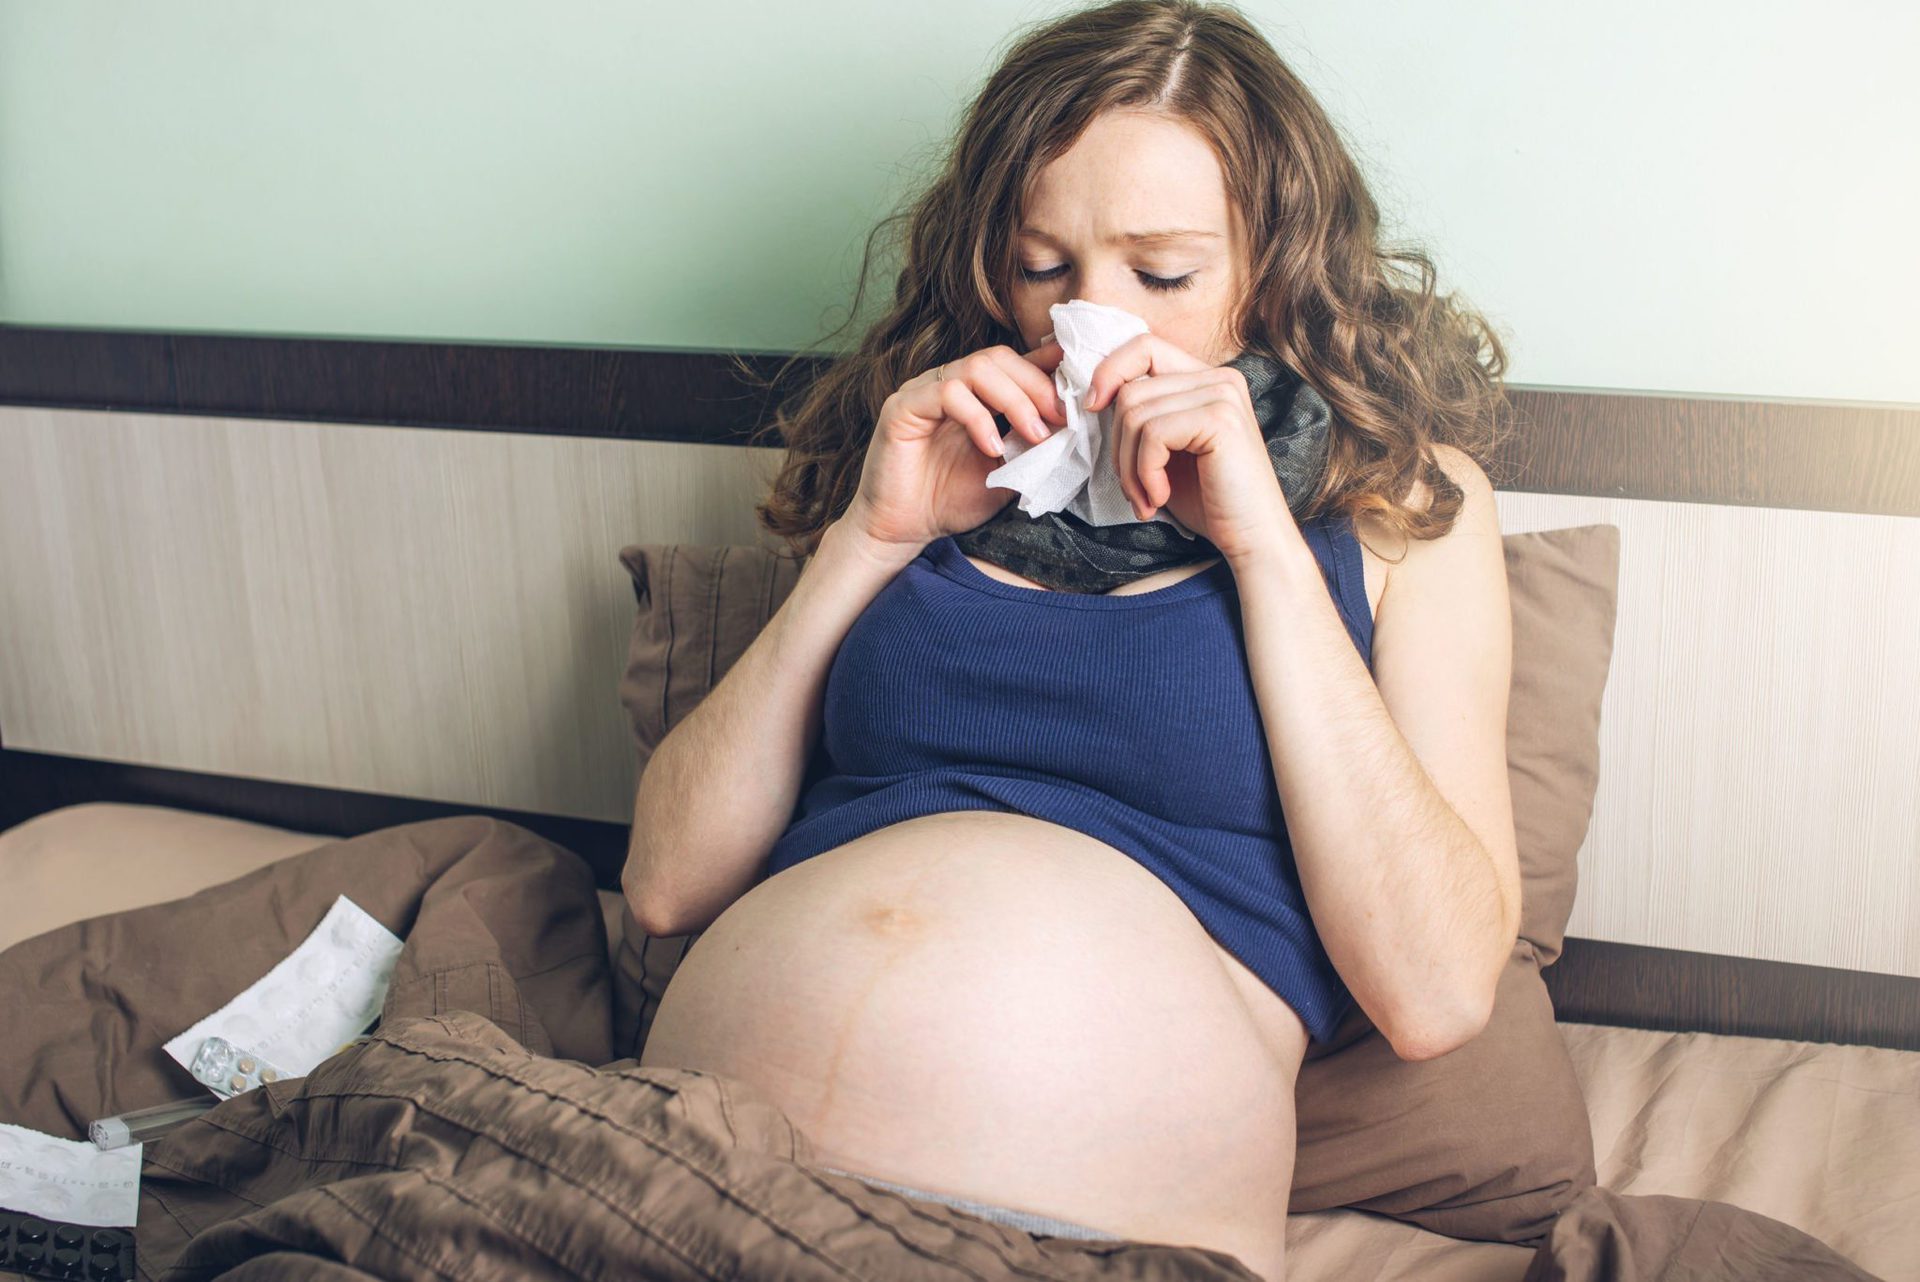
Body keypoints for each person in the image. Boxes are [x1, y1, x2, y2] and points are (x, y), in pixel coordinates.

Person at [625, 2, 1521, 1277]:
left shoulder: (1400, 509)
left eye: (1161, 276)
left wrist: (1261, 544)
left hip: (1078, 1236)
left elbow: (1434, 992)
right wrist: (868, 543)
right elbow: (664, 882)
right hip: (692, 1187)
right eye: (1045, 268)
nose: (1087, 327)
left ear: (1270, 268)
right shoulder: (927, 448)